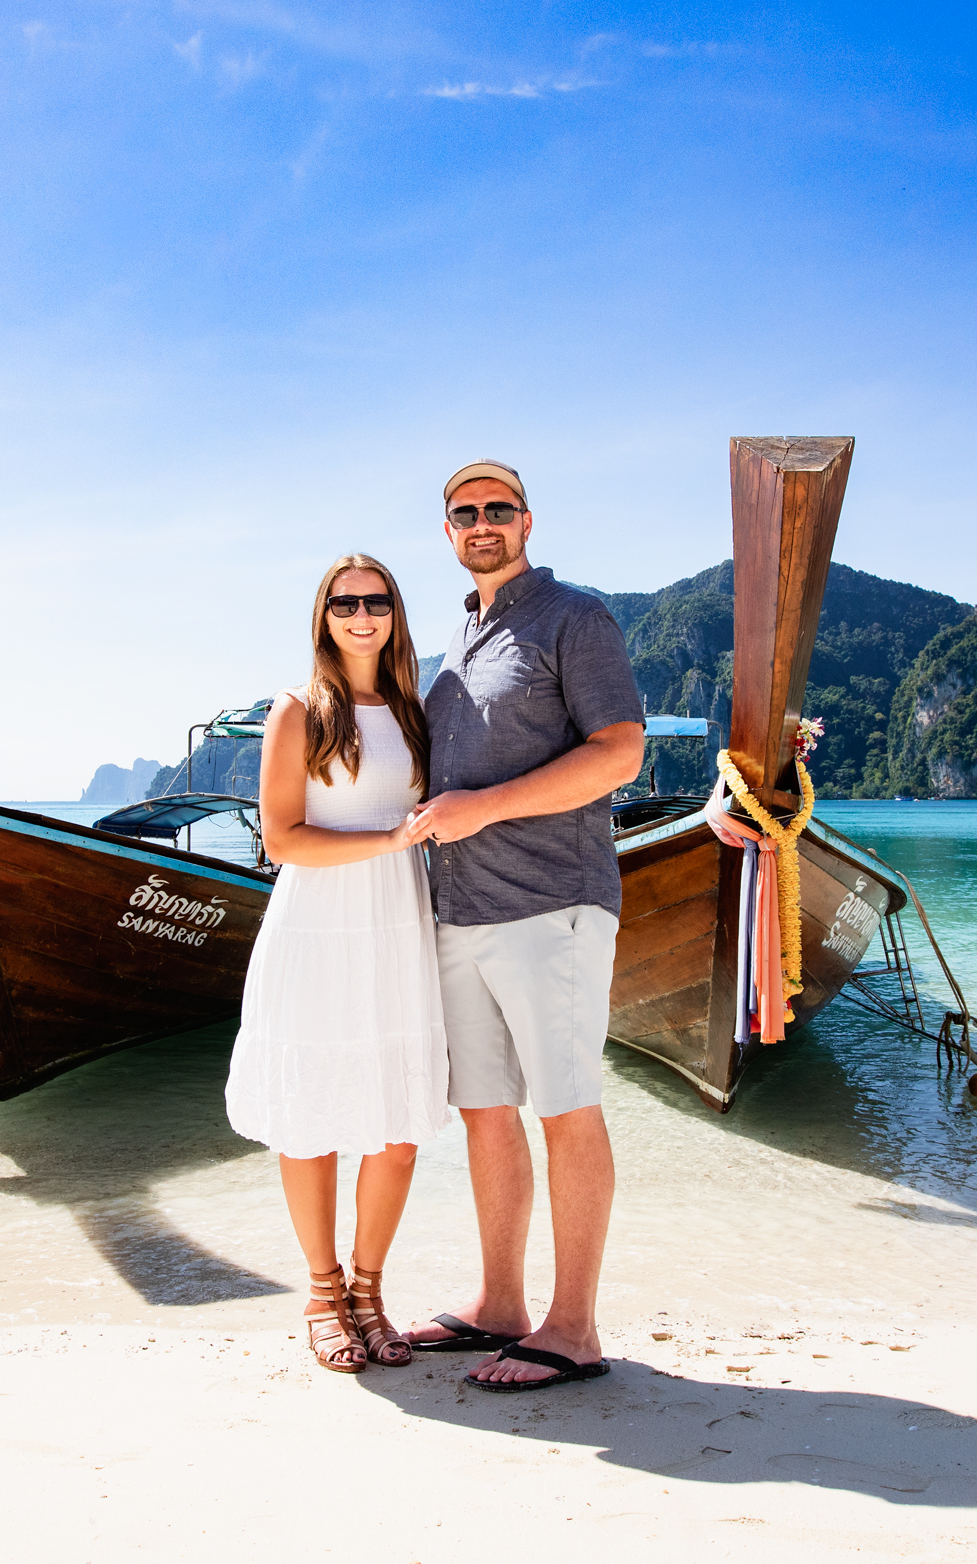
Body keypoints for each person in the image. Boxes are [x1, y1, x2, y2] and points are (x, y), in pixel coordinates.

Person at [399, 460, 646, 1392]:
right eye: (464, 512)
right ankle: (501, 1303)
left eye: (498, 508)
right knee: (486, 1112)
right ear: (450, 531)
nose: (482, 523)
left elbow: (619, 753)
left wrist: (485, 809)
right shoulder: (456, 643)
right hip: (458, 912)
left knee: (566, 1107)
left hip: (554, 906)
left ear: (528, 521)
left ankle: (573, 1327)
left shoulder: (573, 618)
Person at [224, 554, 450, 1374]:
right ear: (323, 616)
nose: (361, 614)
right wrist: (388, 838)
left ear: (395, 611)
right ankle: (322, 1293)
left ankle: (369, 1291)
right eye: (344, 602)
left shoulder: (414, 710)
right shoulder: (299, 710)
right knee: (311, 1116)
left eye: (376, 600)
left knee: (397, 1127)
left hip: (398, 920)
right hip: (318, 924)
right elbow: (280, 837)